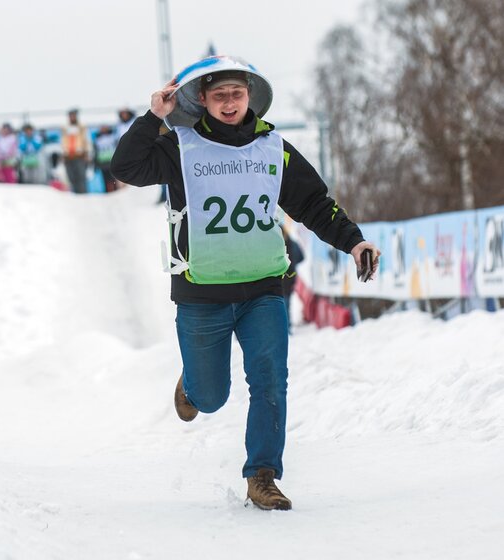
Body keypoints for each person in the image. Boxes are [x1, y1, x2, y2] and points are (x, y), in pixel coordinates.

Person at [111, 56, 380, 511]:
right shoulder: (180, 146)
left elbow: (314, 203)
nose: (229, 103)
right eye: (219, 95)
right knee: (211, 397)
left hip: (263, 288)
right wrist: (154, 116)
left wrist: (353, 242)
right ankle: (193, 385)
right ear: (202, 99)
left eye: (236, 94)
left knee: (270, 381)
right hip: (201, 293)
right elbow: (126, 167)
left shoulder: (274, 148)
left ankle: (262, 476)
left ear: (250, 96)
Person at [281, 224, 305, 331]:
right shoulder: (293, 243)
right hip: (290, 278)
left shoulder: (274, 246)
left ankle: (284, 328)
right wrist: (293, 263)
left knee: (280, 305)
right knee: (286, 304)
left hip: (279, 279)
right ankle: (287, 327)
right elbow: (302, 257)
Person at [61, 108, 89, 194]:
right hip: (68, 156)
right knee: (71, 177)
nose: (72, 118)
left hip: (79, 156)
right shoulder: (65, 128)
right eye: (70, 116)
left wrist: (86, 153)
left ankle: (83, 195)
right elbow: (63, 141)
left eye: (73, 116)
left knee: (80, 177)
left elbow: (86, 140)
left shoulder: (82, 127)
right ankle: (75, 195)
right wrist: (63, 153)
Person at [93, 125, 118, 193]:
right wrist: (96, 164)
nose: (103, 129)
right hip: (103, 163)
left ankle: (115, 192)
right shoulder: (97, 139)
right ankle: (108, 192)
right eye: (102, 127)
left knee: (113, 179)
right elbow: (95, 152)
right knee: (105, 179)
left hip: (112, 161)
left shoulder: (113, 137)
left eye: (105, 127)